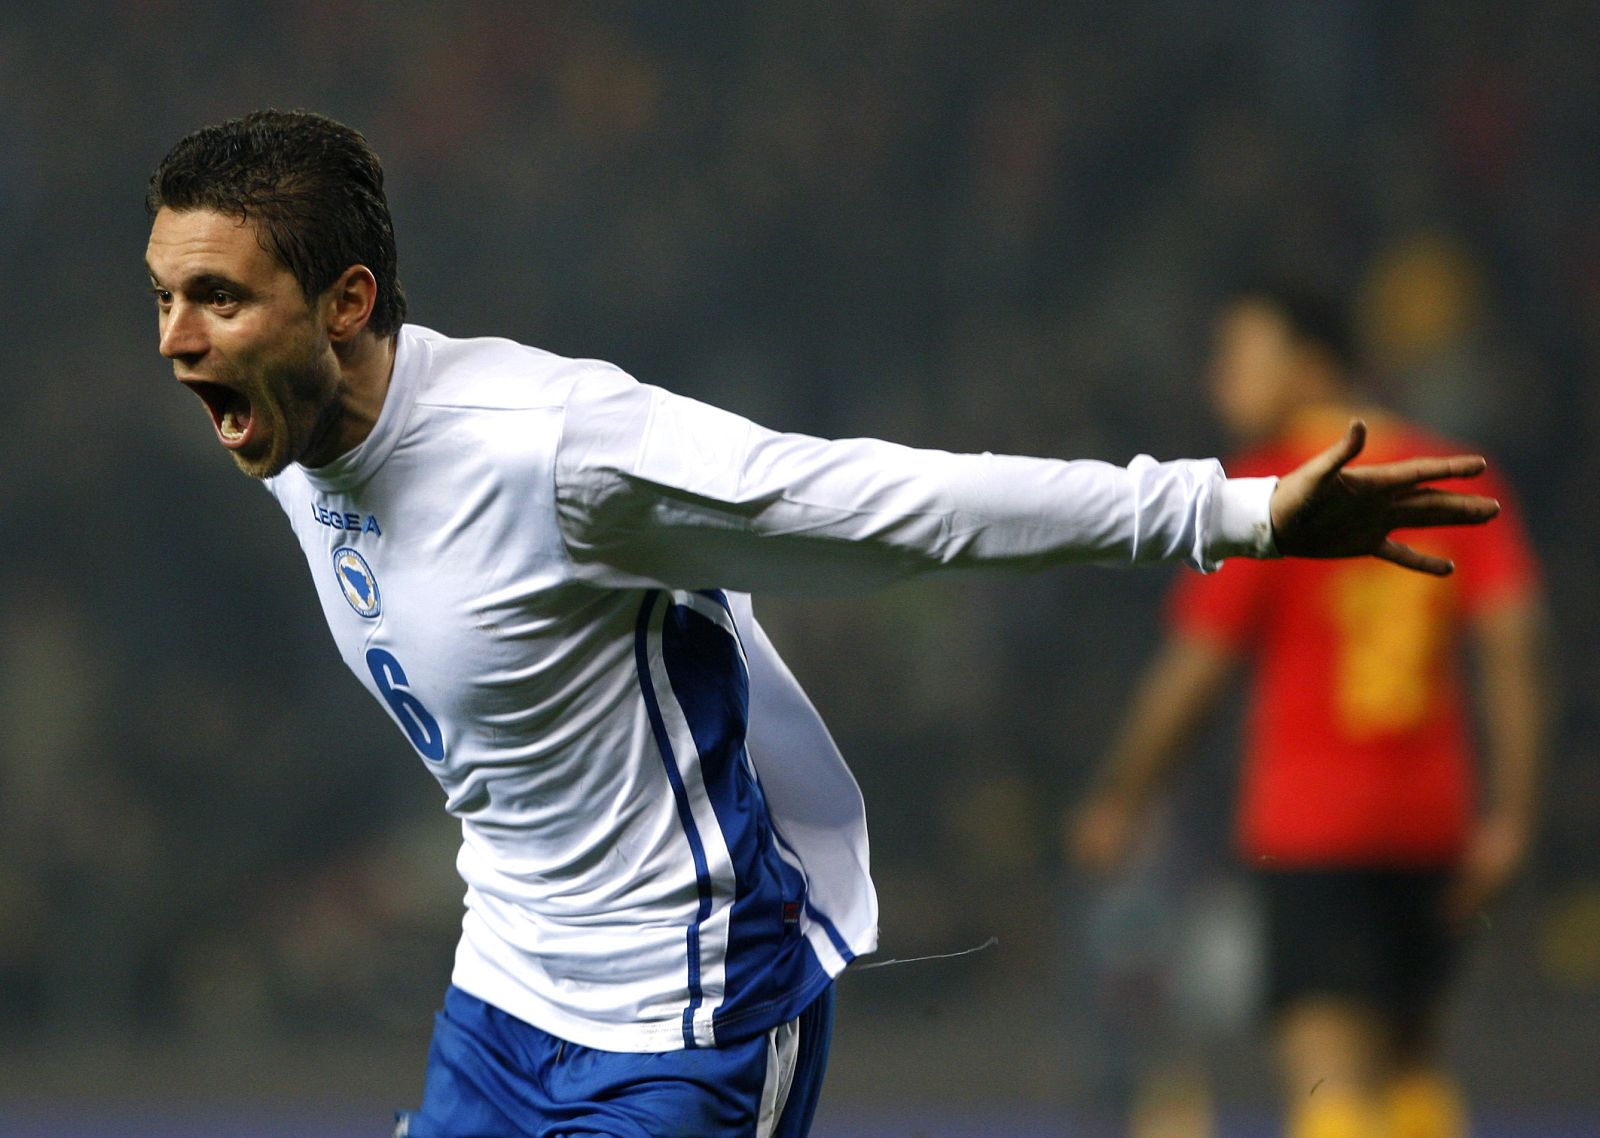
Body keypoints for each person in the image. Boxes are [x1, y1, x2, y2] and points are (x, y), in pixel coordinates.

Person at [142, 110, 1500, 1138]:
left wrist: (1231, 508)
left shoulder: (551, 447)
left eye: (217, 297)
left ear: (348, 305)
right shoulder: (293, 436)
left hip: (691, 1024)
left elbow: (876, 505)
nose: (176, 339)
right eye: (163, 296)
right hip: (500, 1003)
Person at [1072, 285, 1546, 1138]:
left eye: (1243, 355)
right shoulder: (1453, 472)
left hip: (1312, 824)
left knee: (1329, 1081)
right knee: (1414, 1071)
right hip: (1432, 820)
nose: (1222, 379)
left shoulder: (1273, 487)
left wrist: (1122, 794)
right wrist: (1510, 813)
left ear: (1314, 364)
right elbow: (1515, 648)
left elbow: (1195, 671)